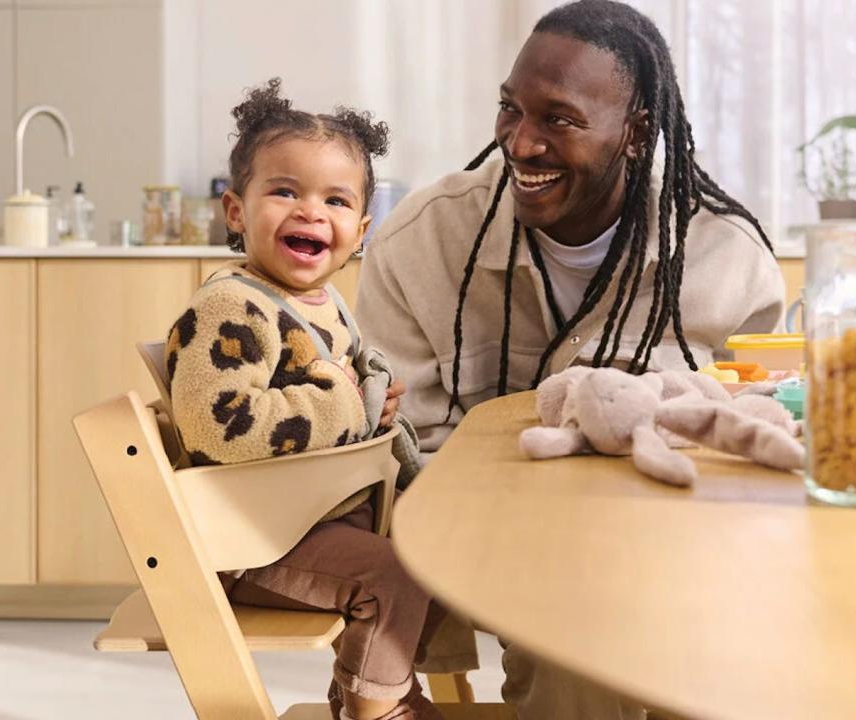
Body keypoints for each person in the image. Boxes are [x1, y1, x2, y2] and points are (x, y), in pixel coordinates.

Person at [355, 1, 785, 718]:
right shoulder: (422, 244)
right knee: (582, 638)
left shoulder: (724, 258)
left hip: (689, 552)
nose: (520, 144)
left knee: (731, 657)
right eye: (510, 109)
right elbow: (403, 452)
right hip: (505, 553)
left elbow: (760, 437)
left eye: (559, 119)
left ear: (635, 133)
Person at [165, 78, 437, 720]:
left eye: (336, 200)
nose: (312, 212)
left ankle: (372, 683)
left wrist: (374, 410)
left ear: (361, 230)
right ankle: (376, 706)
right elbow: (223, 426)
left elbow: (329, 395)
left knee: (447, 548)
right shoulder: (232, 306)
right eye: (284, 191)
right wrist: (344, 402)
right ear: (236, 211)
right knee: (392, 574)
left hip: (310, 517)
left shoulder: (320, 303)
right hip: (255, 538)